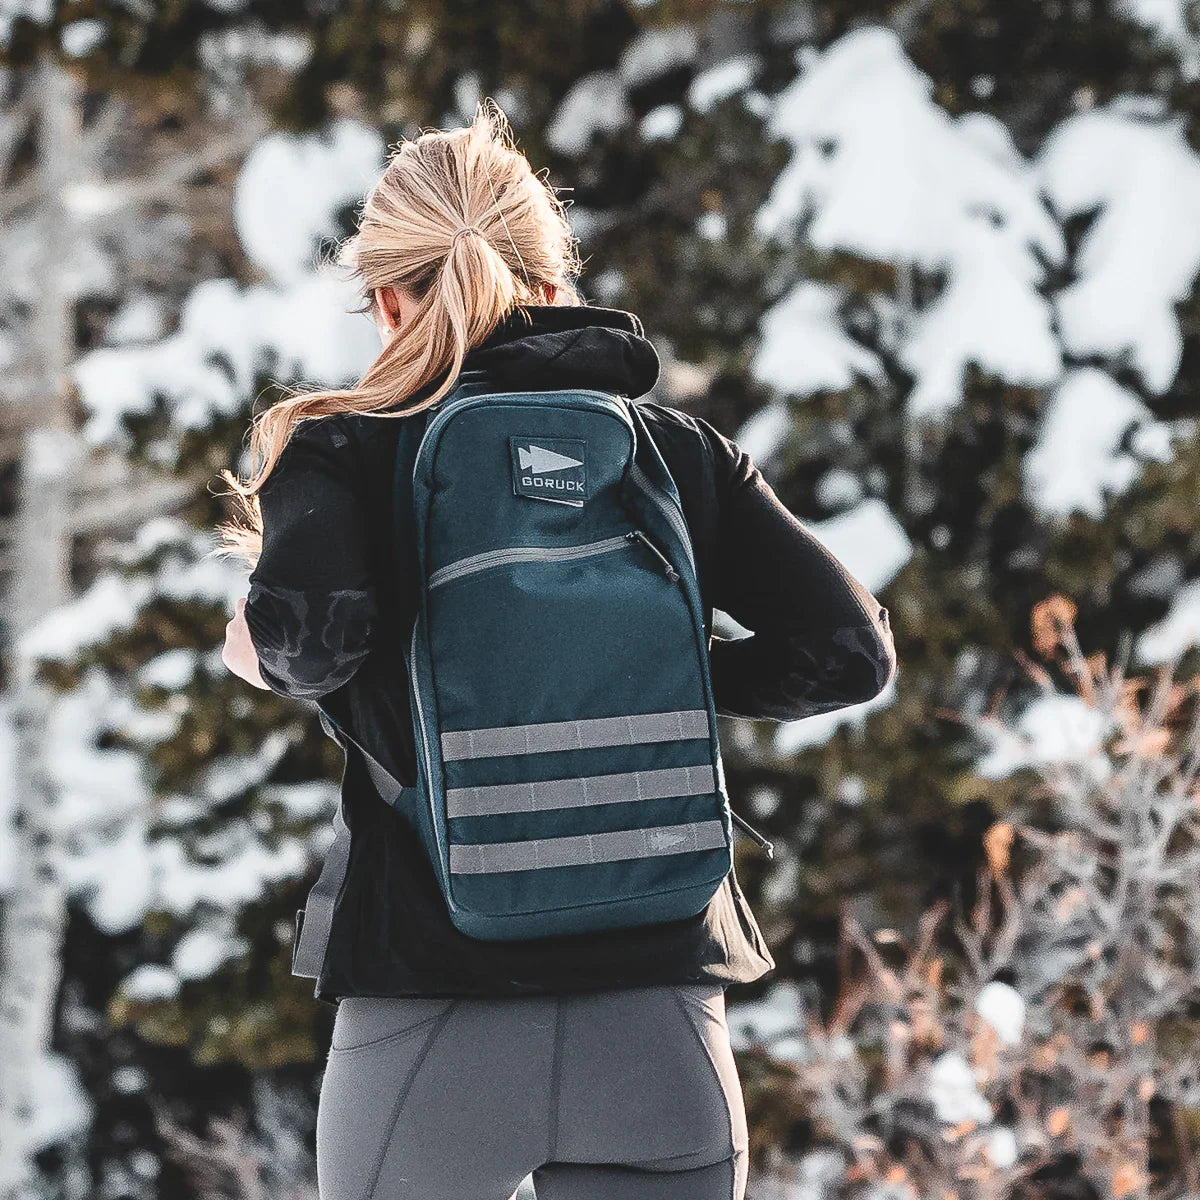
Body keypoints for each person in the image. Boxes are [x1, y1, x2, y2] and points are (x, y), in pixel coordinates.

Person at [217, 104, 896, 1200]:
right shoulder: (672, 451)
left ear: (387, 297)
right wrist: (660, 682)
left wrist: (251, 645)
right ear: (551, 278)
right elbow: (850, 651)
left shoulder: (340, 452)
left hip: (427, 1026)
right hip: (659, 1022)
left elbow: (314, 639)